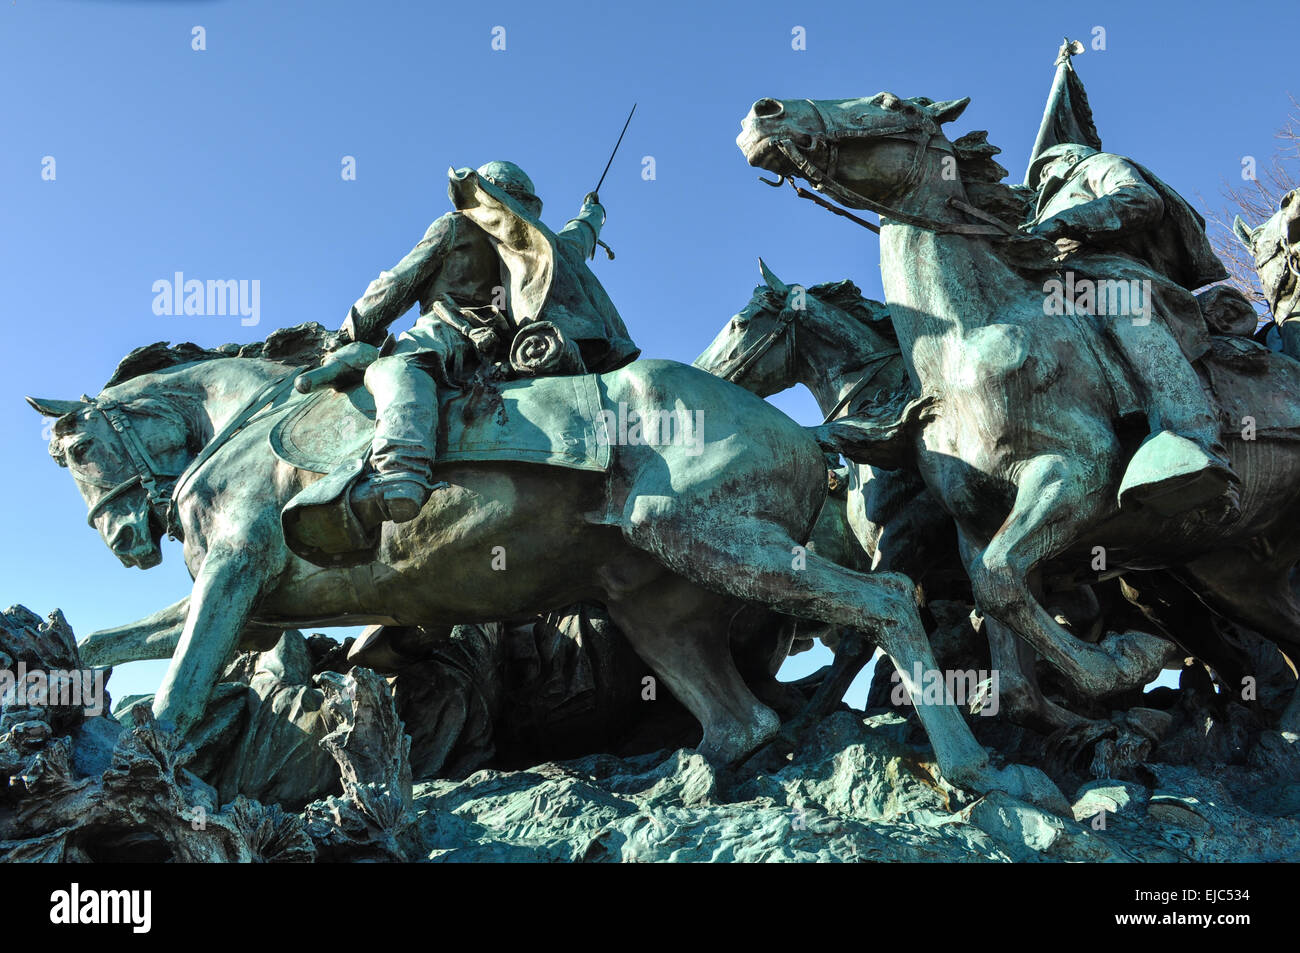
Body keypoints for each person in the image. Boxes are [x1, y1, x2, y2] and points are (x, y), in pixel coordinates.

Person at [337, 161, 639, 526]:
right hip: (510, 348)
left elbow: (398, 282)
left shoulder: (456, 226)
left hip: (449, 330)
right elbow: (579, 236)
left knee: (398, 367)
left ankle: (401, 471)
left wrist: (350, 331)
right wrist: (593, 214)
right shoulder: (541, 244)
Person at [1024, 142, 1240, 523]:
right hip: (1052, 287)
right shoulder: (1040, 206)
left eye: (1044, 169)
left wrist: (1065, 221)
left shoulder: (1098, 167)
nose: (1040, 179)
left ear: (1070, 158)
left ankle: (1191, 441)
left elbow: (1140, 200)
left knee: (1124, 310)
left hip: (1108, 275)